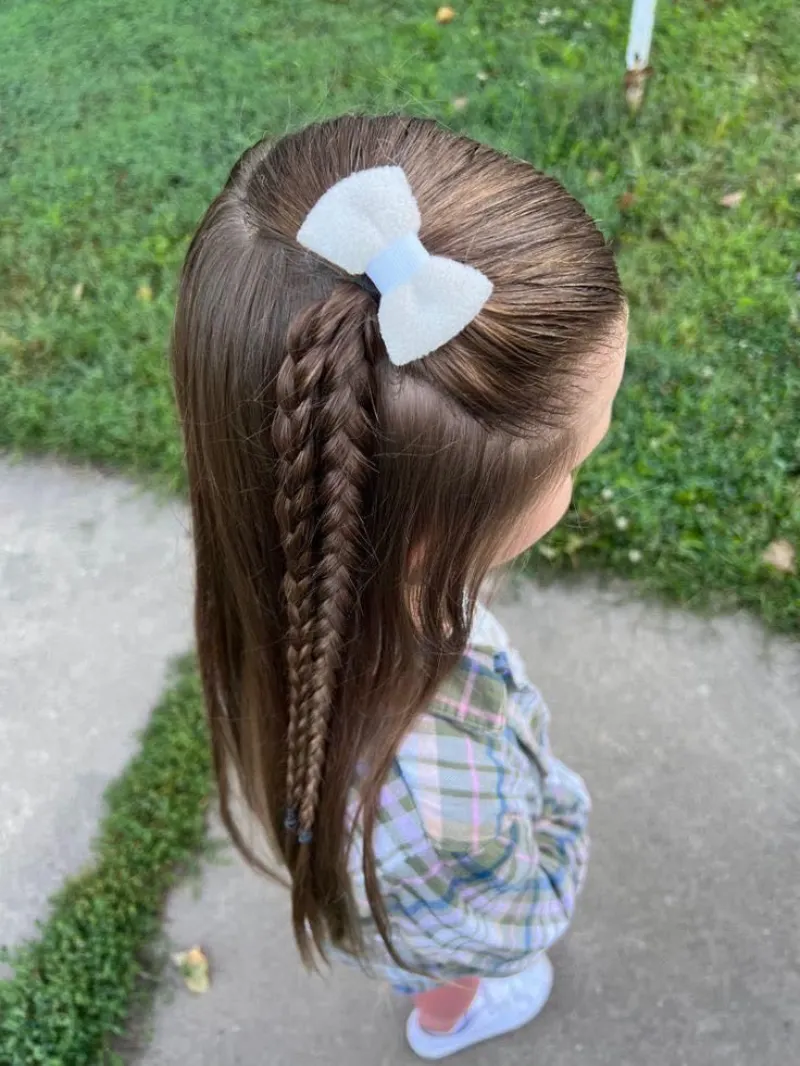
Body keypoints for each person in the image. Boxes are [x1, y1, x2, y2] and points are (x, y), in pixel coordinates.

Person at [171, 114, 627, 1059]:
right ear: (429, 542)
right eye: (581, 457)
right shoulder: (436, 796)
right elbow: (503, 916)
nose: (587, 470)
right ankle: (448, 1019)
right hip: (444, 918)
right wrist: (561, 824)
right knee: (459, 974)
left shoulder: (294, 587)